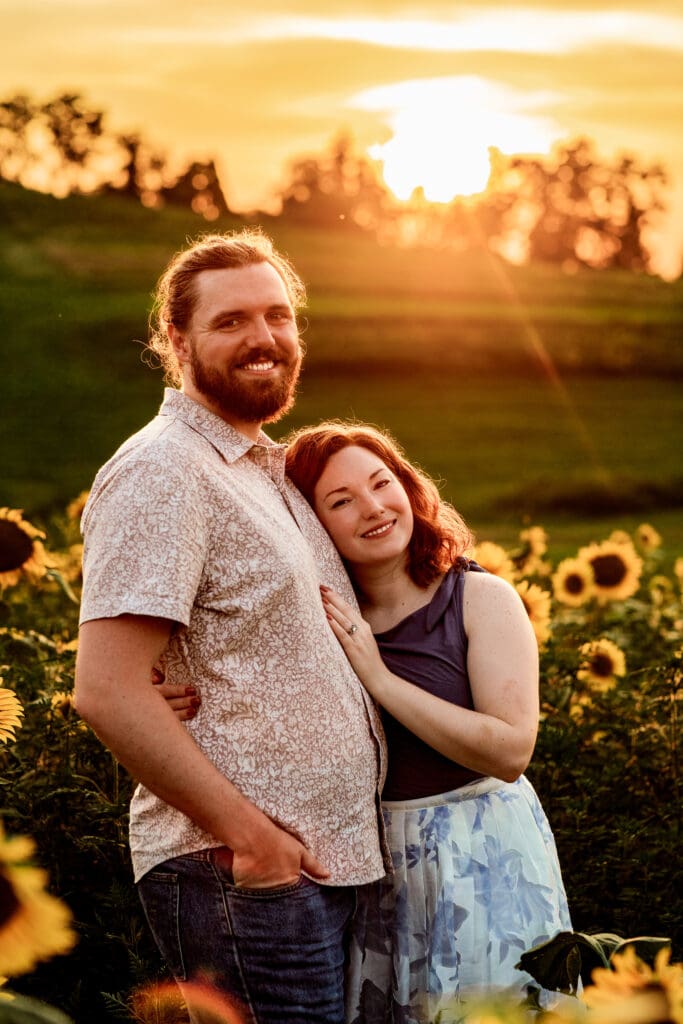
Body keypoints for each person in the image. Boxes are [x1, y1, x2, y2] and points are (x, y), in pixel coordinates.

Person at [73, 231, 390, 1024]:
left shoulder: (266, 470)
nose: (264, 339)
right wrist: (251, 842)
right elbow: (108, 689)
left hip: (318, 867)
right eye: (231, 322)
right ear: (175, 341)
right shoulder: (164, 470)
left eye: (278, 316)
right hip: (240, 873)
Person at [169, 421, 572, 1023]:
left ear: (408, 488)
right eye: (340, 501)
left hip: (482, 852)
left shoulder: (478, 598)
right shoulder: (314, 620)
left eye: (382, 483)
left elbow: (510, 750)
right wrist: (174, 688)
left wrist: (380, 678)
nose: (374, 508)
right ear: (310, 525)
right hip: (369, 863)